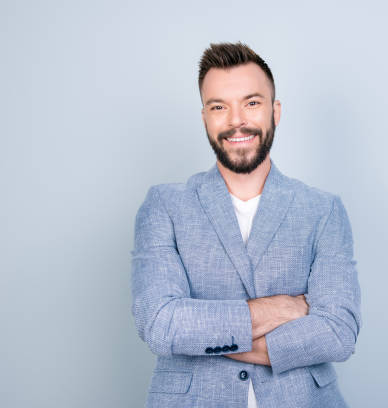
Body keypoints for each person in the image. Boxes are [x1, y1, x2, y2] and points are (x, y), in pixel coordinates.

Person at [130, 42, 362, 408]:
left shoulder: (323, 210)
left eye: (251, 103)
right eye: (219, 106)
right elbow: (161, 323)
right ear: (205, 116)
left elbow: (338, 332)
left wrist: (207, 336)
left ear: (275, 111)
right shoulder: (164, 206)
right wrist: (282, 309)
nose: (236, 120)